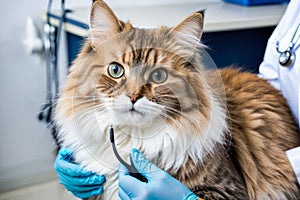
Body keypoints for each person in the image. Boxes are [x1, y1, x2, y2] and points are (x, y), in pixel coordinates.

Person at [54, 0, 300, 199]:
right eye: (116, 70)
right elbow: (279, 73)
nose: (133, 94)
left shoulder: (199, 159)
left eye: (158, 75)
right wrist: (83, 144)